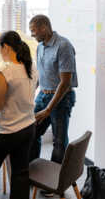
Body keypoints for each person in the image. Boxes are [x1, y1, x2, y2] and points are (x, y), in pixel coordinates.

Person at [0, 31, 39, 199]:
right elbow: (21, 93)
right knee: (20, 172)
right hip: (28, 127)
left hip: (8, 131)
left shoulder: (5, 71)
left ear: (5, 47)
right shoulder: (32, 68)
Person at [28, 15, 77, 197]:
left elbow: (65, 82)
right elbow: (41, 73)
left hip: (61, 99)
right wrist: (32, 96)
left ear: (43, 28)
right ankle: (33, 173)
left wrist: (48, 109)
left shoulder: (63, 46)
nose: (31, 34)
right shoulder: (40, 46)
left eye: (33, 30)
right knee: (32, 132)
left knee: (58, 141)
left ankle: (53, 183)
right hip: (43, 95)